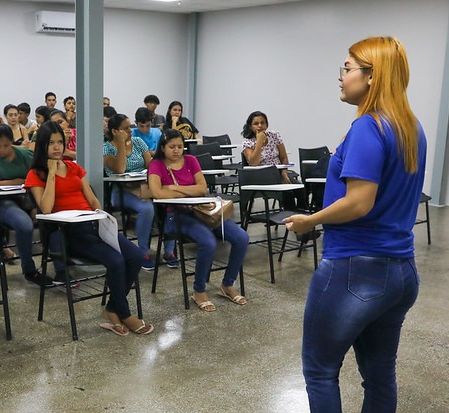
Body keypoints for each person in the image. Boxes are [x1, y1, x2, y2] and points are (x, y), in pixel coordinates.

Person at [281, 36, 425, 413]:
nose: (340, 77)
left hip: (354, 270)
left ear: (371, 76)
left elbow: (359, 202)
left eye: (347, 68)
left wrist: (310, 221)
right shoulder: (410, 128)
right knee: (379, 375)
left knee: (320, 370)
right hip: (399, 271)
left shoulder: (367, 128)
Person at [25, 121, 153, 336]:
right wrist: (53, 173)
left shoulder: (74, 167)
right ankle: (125, 313)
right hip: (68, 232)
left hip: (93, 223)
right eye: (51, 143)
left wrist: (99, 213)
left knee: (135, 256)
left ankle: (112, 309)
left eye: (59, 142)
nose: (56, 147)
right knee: (116, 260)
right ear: (41, 146)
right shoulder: (36, 174)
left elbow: (93, 199)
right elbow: (45, 208)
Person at [148, 129, 249, 311]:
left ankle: (227, 284)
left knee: (241, 238)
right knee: (208, 243)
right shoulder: (156, 165)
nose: (177, 150)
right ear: (162, 147)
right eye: (172, 147)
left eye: (180, 146)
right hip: (175, 216)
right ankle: (199, 290)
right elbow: (157, 193)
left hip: (203, 212)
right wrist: (187, 189)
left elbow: (202, 189)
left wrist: (174, 188)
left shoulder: (191, 161)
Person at [0, 124, 52, 287]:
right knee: (24, 224)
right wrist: (13, 182)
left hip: (26, 199)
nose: (2, 150)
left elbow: (38, 178)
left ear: (12, 142)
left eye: (6, 145)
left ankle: (59, 263)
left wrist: (34, 206)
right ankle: (29, 268)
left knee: (50, 220)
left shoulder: (25, 155)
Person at [103, 113, 156, 270]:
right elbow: (120, 169)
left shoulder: (138, 142)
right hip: (120, 191)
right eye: (125, 128)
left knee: (165, 203)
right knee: (146, 208)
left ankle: (169, 251)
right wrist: (120, 144)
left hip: (142, 187)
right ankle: (143, 252)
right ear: (115, 131)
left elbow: (150, 166)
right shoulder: (106, 148)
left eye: (130, 126)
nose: (130, 131)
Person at [241, 111, 308, 210]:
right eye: (256, 123)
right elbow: (253, 163)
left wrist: (284, 174)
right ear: (251, 127)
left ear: (267, 124)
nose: (260, 126)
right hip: (261, 176)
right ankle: (291, 219)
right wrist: (259, 142)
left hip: (279, 173)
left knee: (300, 188)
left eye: (262, 123)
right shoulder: (248, 142)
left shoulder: (274, 135)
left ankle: (303, 216)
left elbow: (283, 157)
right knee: (287, 192)